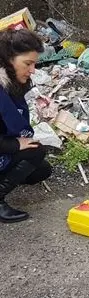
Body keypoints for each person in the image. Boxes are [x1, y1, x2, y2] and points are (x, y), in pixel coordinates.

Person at [0, 29, 52, 223]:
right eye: (28, 64)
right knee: (35, 152)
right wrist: (15, 145)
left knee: (41, 170)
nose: (32, 70)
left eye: (34, 64)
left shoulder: (12, 84)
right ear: (8, 60)